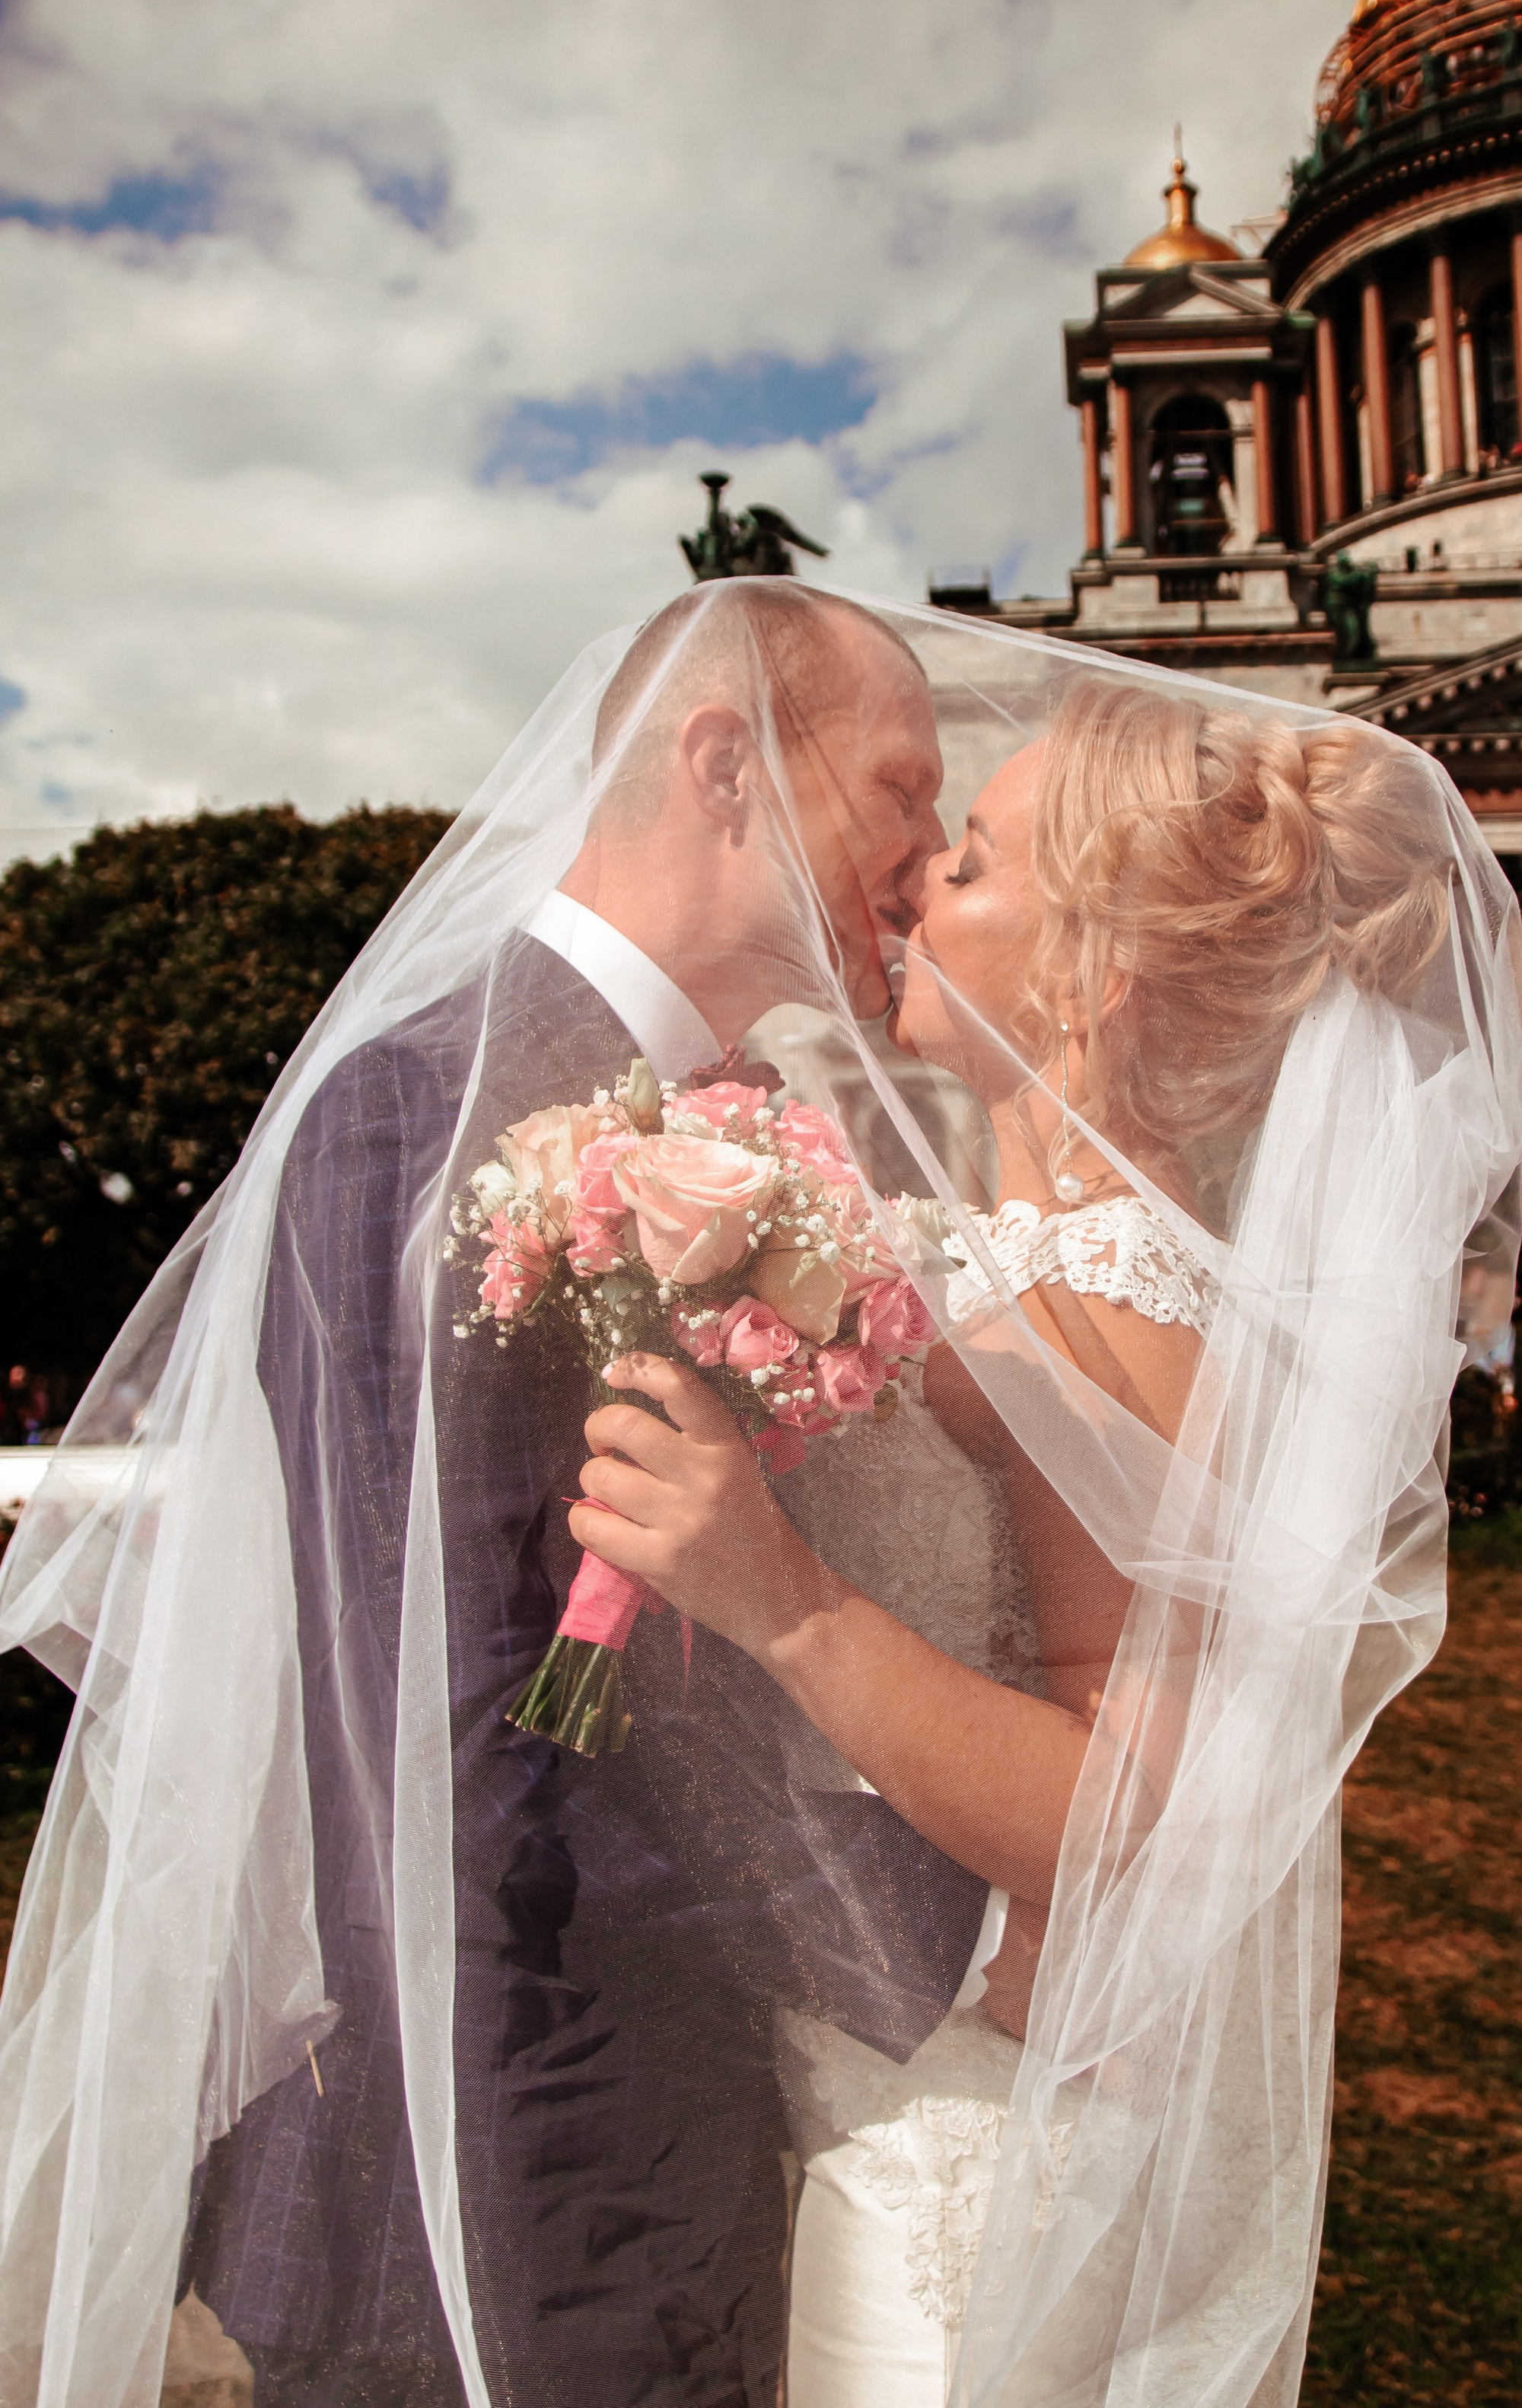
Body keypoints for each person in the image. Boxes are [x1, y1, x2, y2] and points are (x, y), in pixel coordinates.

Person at [0, 584, 990, 2408]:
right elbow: (446, 1747)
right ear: (723, 766)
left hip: (657, 2152)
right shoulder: (423, 1111)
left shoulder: (720, 1123)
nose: (929, 857)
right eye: (901, 790)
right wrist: (940, 1923)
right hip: (493, 2190)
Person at [569, 672, 1522, 2406]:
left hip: (975, 2145)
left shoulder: (1102, 1293)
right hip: (882, 2070)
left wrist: (780, 1598)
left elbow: (1129, 1816)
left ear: (1092, 977)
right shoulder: (1012, 1264)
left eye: (970, 864)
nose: (913, 883)